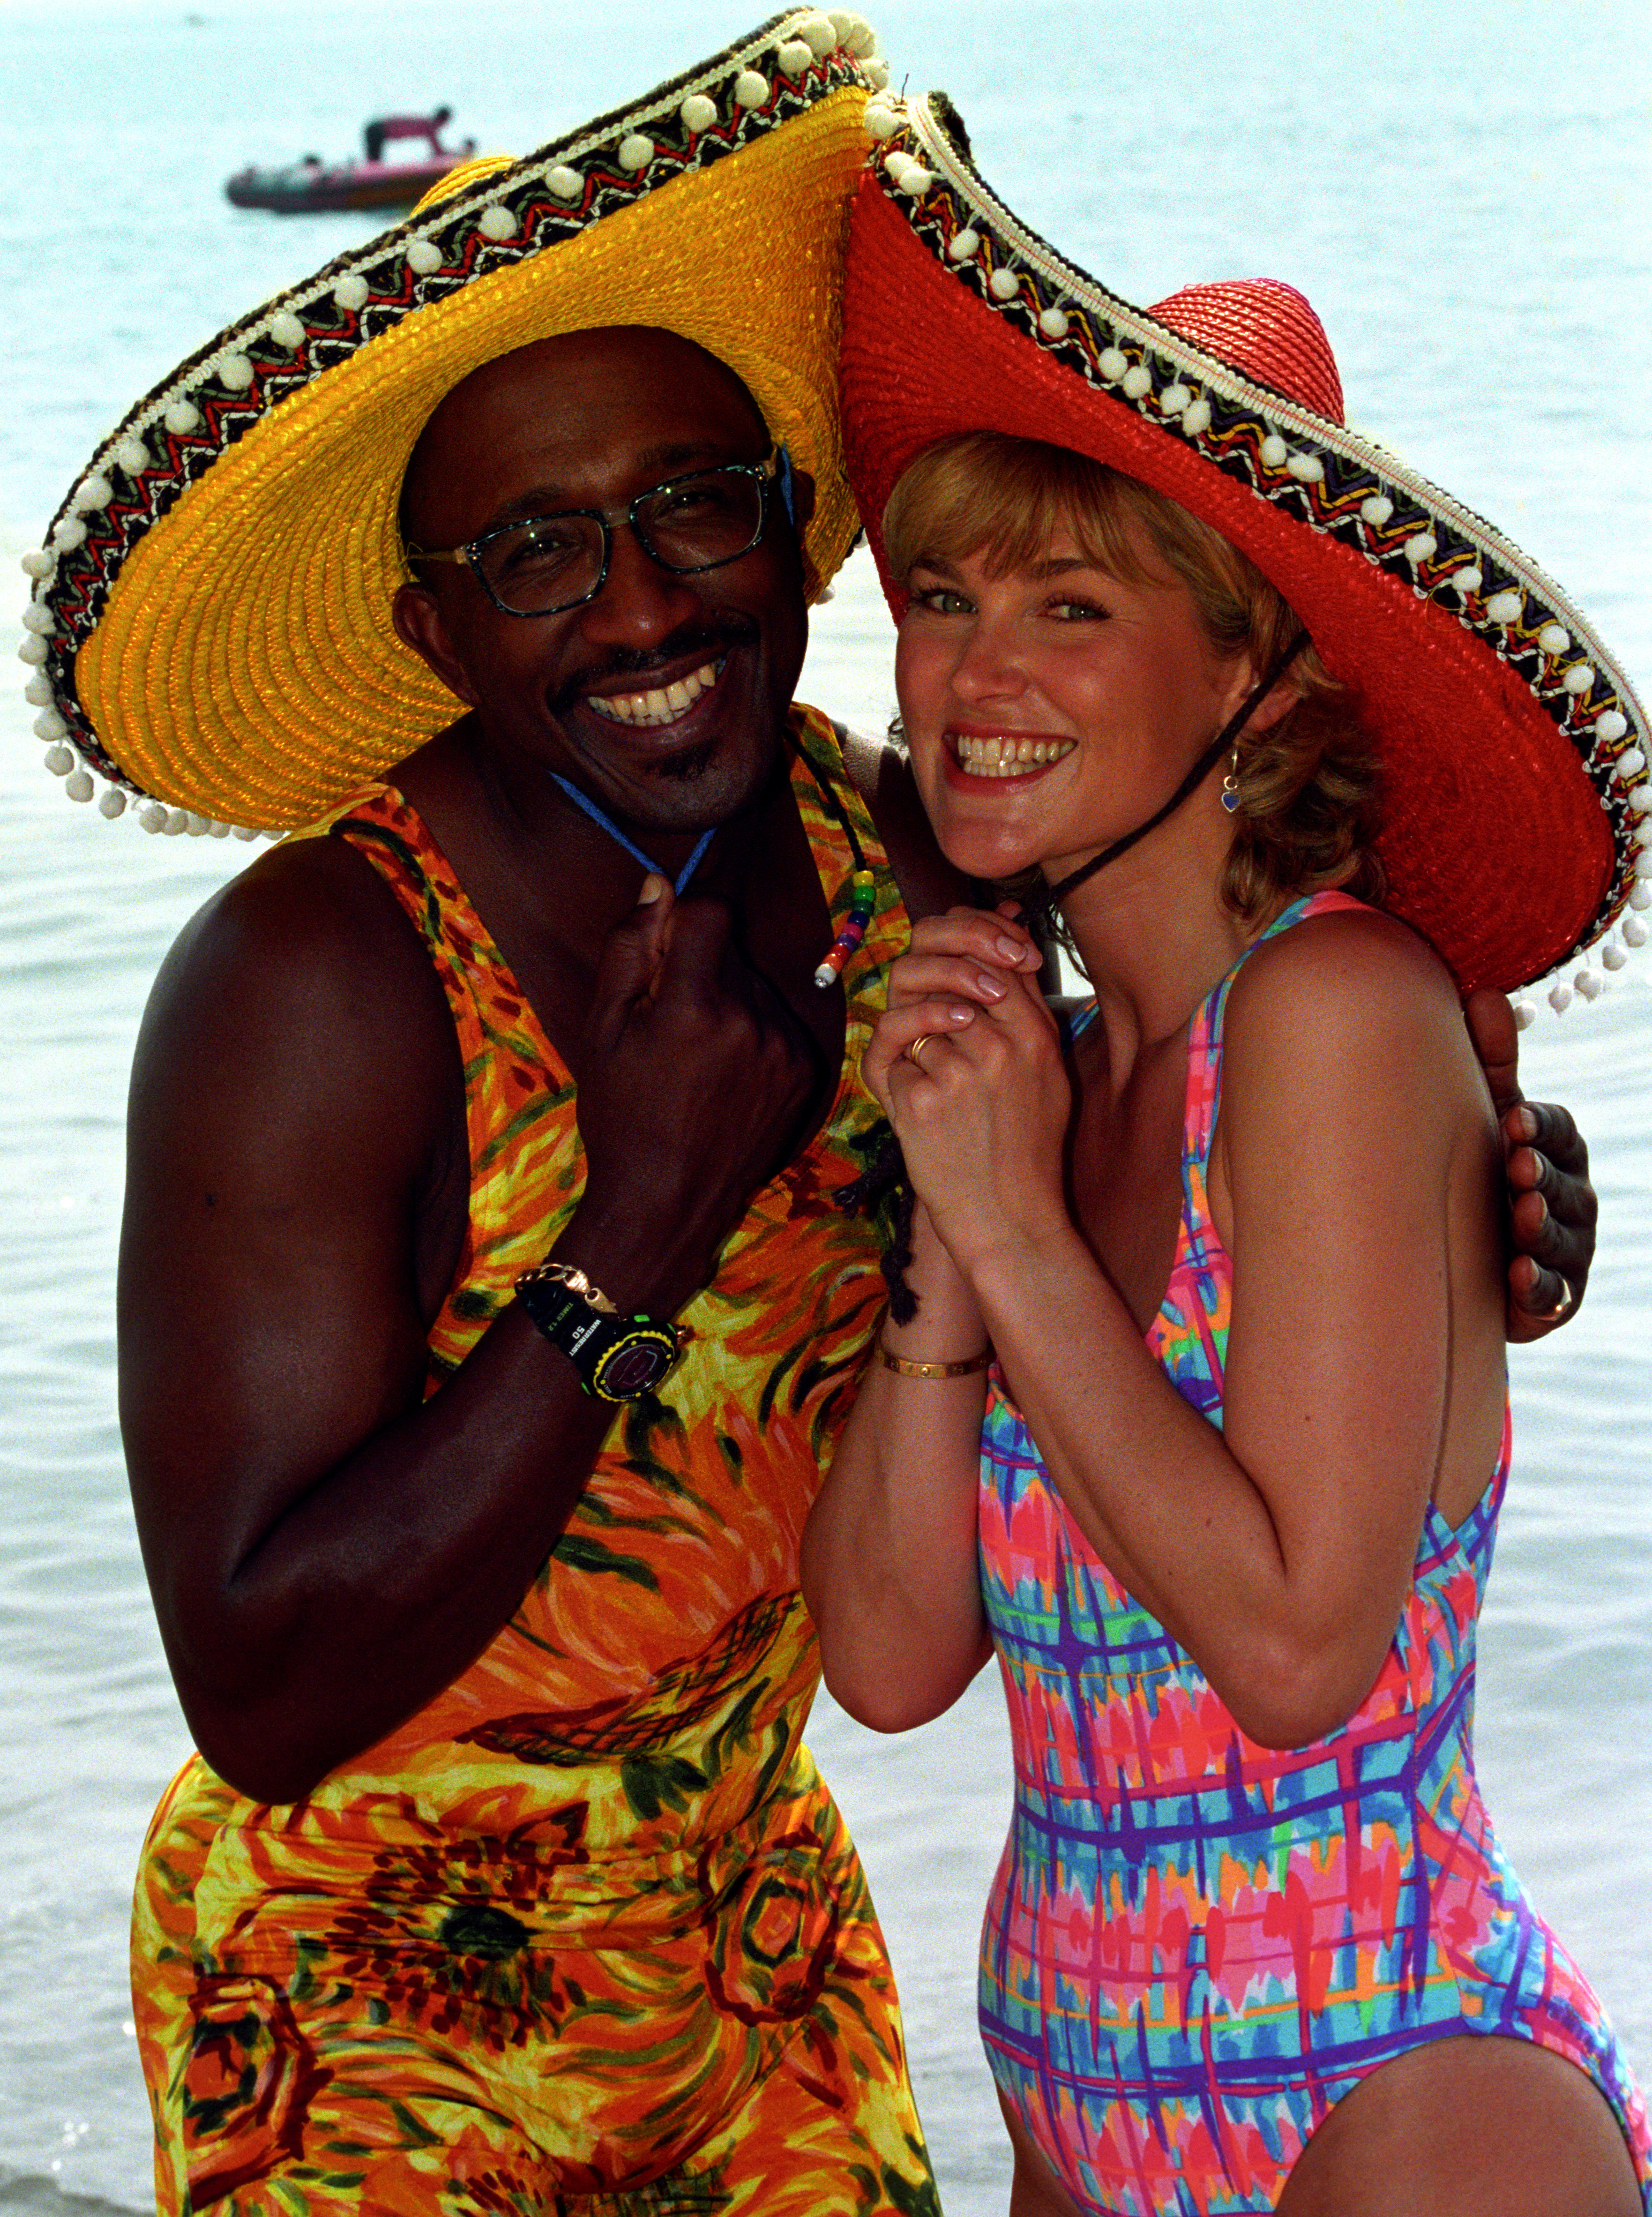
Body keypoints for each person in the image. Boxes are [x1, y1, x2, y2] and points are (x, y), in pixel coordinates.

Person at [21, 30, 1594, 2217]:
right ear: (432, 623)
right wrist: (636, 1233)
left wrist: (1465, 1217)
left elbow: (1200, 1182)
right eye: (540, 549)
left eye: (691, 507)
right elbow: (267, 1686)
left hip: (768, 1946)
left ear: (781, 527)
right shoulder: (316, 981)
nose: (645, 600)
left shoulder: (896, 879)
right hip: (380, 1989)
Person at [803, 90, 1651, 2217]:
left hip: (1389, 2093)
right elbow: (890, 1659)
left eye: (1066, 606)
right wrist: (953, 1204)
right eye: (936, 593)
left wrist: (1008, 1221)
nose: (964, 671)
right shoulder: (1062, 1068)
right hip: (1068, 2097)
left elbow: (1289, 1654)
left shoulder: (1334, 1014)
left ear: (1257, 677)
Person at [363, 105, 458, 166]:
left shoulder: (426, 123)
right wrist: (456, 155)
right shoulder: (429, 126)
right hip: (377, 130)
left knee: (374, 161)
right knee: (374, 163)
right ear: (444, 120)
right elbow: (438, 152)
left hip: (377, 130)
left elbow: (437, 151)